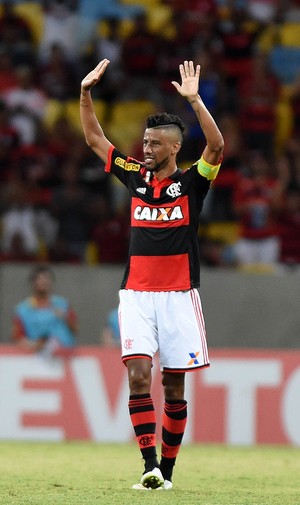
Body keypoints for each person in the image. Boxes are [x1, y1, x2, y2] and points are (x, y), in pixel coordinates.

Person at [80, 59, 224, 490]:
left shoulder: (192, 184)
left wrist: (196, 101)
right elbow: (93, 138)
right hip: (137, 295)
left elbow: (216, 147)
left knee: (174, 387)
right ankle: (148, 465)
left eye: (155, 143)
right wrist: (86, 93)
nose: (146, 149)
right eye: (144, 141)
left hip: (180, 295)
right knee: (139, 375)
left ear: (174, 148)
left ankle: (169, 470)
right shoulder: (134, 178)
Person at [11, 264, 77, 357]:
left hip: (64, 356)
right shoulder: (23, 309)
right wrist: (32, 345)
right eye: (39, 279)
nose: (43, 282)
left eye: (46, 278)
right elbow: (17, 337)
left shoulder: (63, 304)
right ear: (33, 282)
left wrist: (65, 318)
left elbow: (75, 329)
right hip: (37, 357)